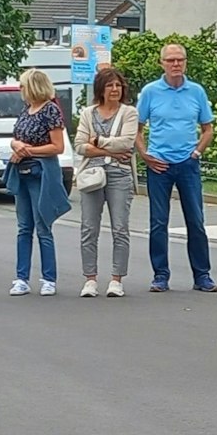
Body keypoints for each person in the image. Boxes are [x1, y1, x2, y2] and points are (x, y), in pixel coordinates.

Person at [136, 43, 217, 293]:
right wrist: (145, 155)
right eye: (170, 60)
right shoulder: (150, 92)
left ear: (185, 63)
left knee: (196, 220)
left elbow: (208, 128)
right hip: (159, 164)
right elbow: (136, 129)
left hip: (187, 164)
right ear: (162, 63)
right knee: (159, 222)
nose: (175, 64)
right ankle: (160, 275)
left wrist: (196, 152)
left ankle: (202, 275)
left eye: (180, 60)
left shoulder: (196, 92)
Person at [73, 63, 138, 297]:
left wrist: (98, 141)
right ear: (100, 89)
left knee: (120, 228)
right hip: (92, 174)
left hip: (120, 174)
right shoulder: (87, 114)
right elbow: (80, 146)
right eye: (110, 85)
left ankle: (116, 279)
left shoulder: (128, 113)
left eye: (118, 85)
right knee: (89, 227)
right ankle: (90, 279)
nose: (114, 89)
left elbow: (127, 143)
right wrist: (108, 151)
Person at [4, 69, 70, 295]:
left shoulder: (50, 110)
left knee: (43, 227)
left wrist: (27, 151)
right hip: (21, 173)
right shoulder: (27, 109)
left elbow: (57, 147)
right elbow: (16, 138)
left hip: (40, 174)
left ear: (32, 86)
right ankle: (21, 278)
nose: (20, 90)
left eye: (22, 86)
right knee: (24, 228)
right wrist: (15, 146)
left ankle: (48, 278)